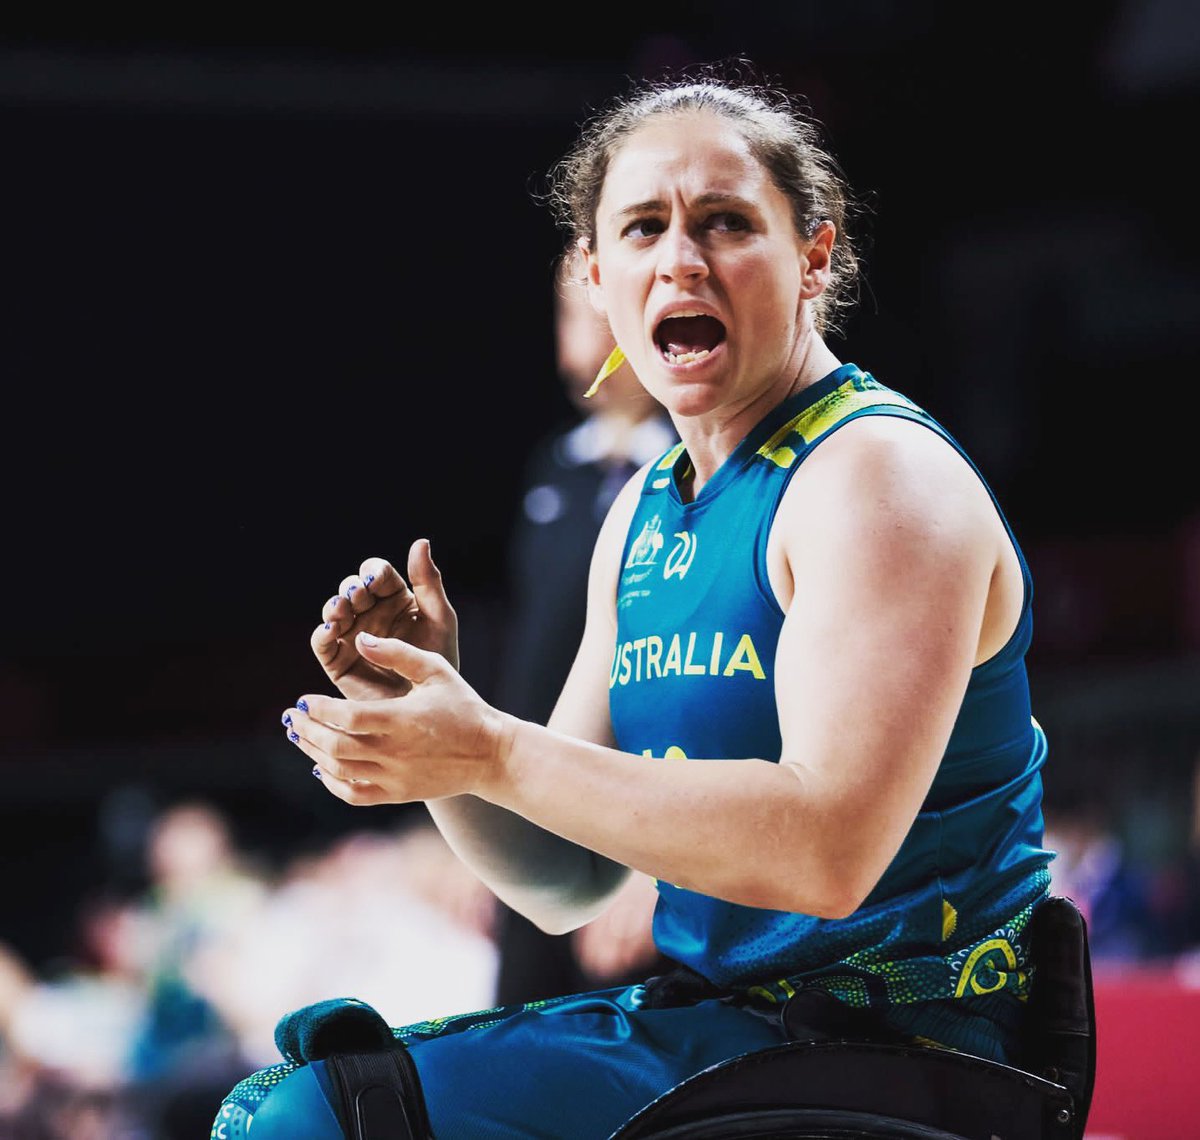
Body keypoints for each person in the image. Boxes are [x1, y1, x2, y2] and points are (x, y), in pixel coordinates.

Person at [213, 64, 1054, 1140]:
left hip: (911, 1061)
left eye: (725, 223)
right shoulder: (645, 512)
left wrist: (493, 752)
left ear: (814, 256)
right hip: (730, 1036)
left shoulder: (874, 477)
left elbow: (827, 853)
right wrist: (439, 732)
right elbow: (565, 879)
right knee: (286, 1096)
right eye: (645, 229)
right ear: (595, 273)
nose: (681, 260)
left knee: (309, 1124)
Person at [493, 251, 676, 1006]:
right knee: (518, 1028)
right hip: (535, 794)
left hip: (632, 813)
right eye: (572, 311)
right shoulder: (553, 470)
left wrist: (652, 869)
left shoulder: (685, 471)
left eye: (601, 312)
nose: (584, 331)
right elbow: (531, 648)